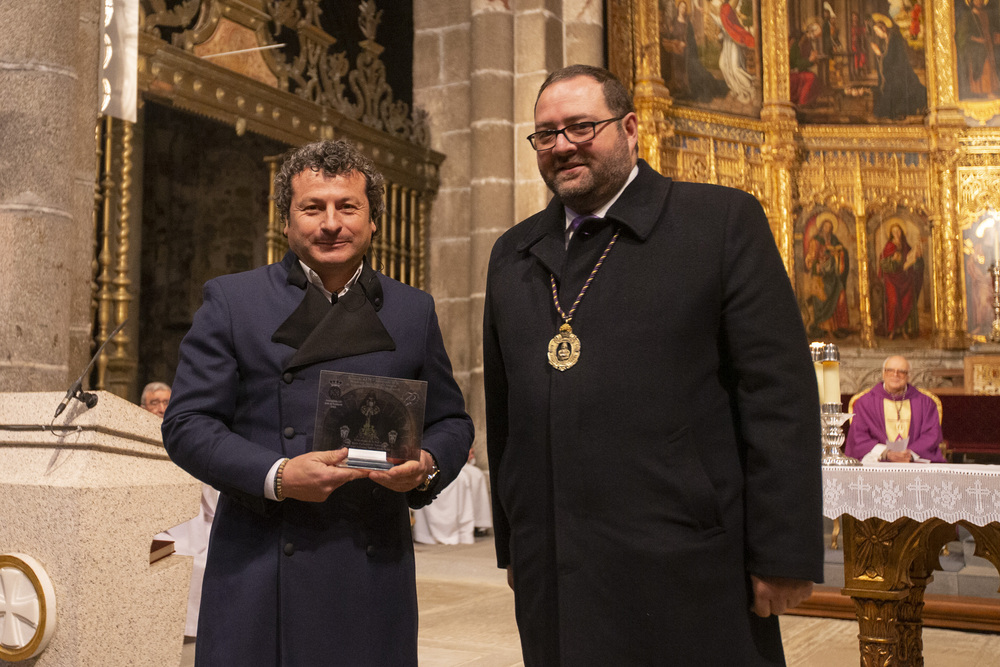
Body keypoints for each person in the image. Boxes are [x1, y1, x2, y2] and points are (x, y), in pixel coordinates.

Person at [483, 65, 823, 666]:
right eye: (546, 134)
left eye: (582, 126)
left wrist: (782, 553)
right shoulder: (513, 252)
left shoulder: (718, 222)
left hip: (685, 561)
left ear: (631, 127)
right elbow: (508, 412)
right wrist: (518, 545)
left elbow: (778, 396)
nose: (562, 145)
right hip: (555, 566)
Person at [161, 139, 474, 665]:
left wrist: (425, 466)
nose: (331, 223)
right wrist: (278, 474)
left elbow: (451, 420)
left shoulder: (412, 310)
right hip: (263, 564)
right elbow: (188, 423)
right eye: (313, 207)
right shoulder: (234, 300)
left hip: (373, 565)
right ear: (286, 221)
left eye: (347, 206)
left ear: (373, 220)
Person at [844, 355, 945, 463]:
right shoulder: (864, 403)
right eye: (890, 371)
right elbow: (859, 437)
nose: (895, 375)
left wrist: (910, 454)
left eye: (901, 371)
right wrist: (886, 453)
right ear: (883, 373)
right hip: (878, 463)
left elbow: (931, 435)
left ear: (908, 376)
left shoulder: (925, 403)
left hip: (914, 462)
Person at [804, 214, 851, 338]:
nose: (828, 230)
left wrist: (839, 252)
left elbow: (843, 253)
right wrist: (817, 265)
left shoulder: (834, 240)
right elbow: (810, 259)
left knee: (840, 294)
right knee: (821, 298)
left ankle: (837, 327)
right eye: (825, 227)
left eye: (830, 227)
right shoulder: (816, 241)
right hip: (820, 276)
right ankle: (825, 328)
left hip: (833, 276)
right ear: (821, 227)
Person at [871, 16, 927, 118]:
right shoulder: (887, 40)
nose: (876, 33)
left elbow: (893, 58)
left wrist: (879, 54)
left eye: (877, 30)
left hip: (899, 72)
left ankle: (898, 111)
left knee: (895, 90)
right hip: (894, 72)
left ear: (883, 28)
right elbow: (888, 59)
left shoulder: (894, 39)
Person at [878, 223, 924, 339]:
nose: (897, 234)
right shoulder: (889, 246)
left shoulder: (905, 246)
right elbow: (883, 264)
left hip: (905, 280)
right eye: (894, 232)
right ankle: (891, 330)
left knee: (906, 303)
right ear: (891, 234)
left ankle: (904, 330)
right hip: (891, 280)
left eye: (898, 231)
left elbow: (912, 261)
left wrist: (917, 258)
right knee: (893, 303)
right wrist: (892, 260)